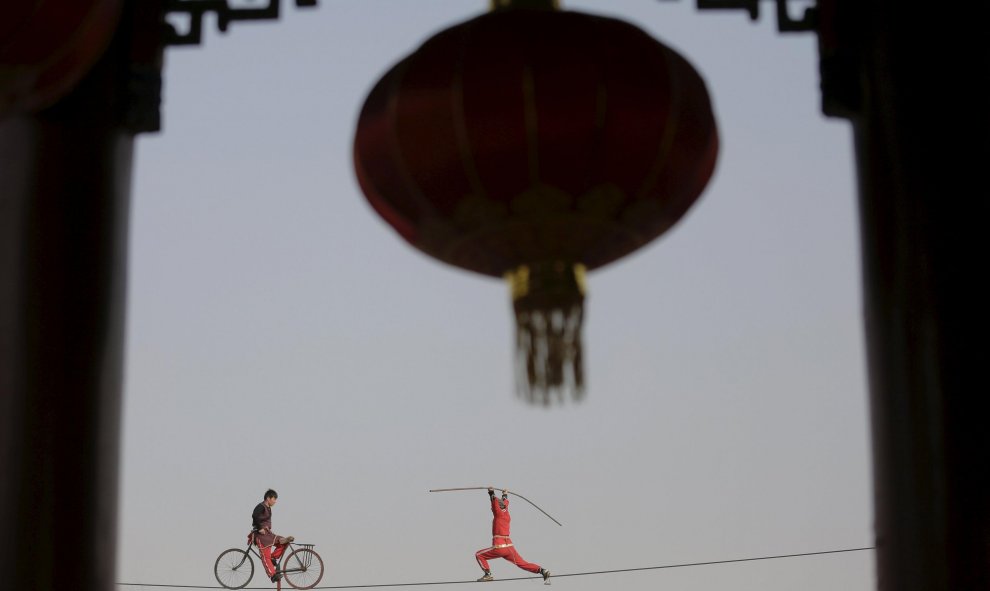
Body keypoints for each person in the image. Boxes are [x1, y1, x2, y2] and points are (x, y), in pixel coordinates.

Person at [474, 487, 550, 584]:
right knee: (522, 563)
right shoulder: (506, 514)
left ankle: (488, 574)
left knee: (479, 555)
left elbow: (494, 503)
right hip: (509, 547)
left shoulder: (498, 514)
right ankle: (542, 570)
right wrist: (505, 495)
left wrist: (491, 492)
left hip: (500, 546)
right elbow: (505, 504)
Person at [251, 489, 294, 583]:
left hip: (268, 534)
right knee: (265, 556)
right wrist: (259, 528)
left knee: (284, 541)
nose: (275, 501)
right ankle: (273, 575)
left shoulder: (268, 508)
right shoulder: (260, 506)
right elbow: (254, 516)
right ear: (268, 498)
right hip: (260, 536)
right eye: (274, 499)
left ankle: (273, 558)